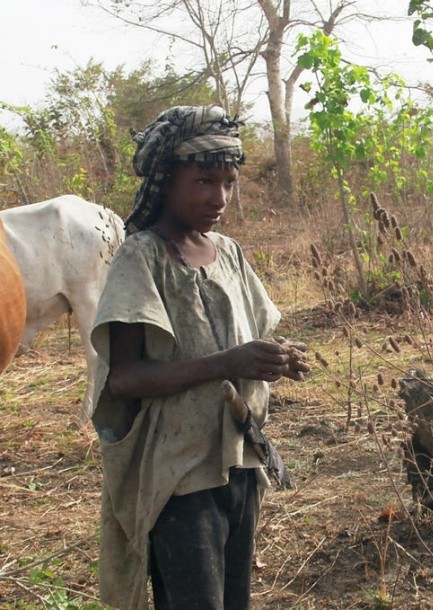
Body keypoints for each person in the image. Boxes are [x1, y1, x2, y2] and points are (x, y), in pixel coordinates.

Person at [90, 105, 308, 610]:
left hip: (240, 460)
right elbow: (124, 378)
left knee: (233, 600)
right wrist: (229, 362)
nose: (219, 198)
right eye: (204, 181)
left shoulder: (227, 252)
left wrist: (280, 358)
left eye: (229, 182)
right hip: (179, 473)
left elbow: (250, 335)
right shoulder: (141, 256)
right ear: (166, 180)